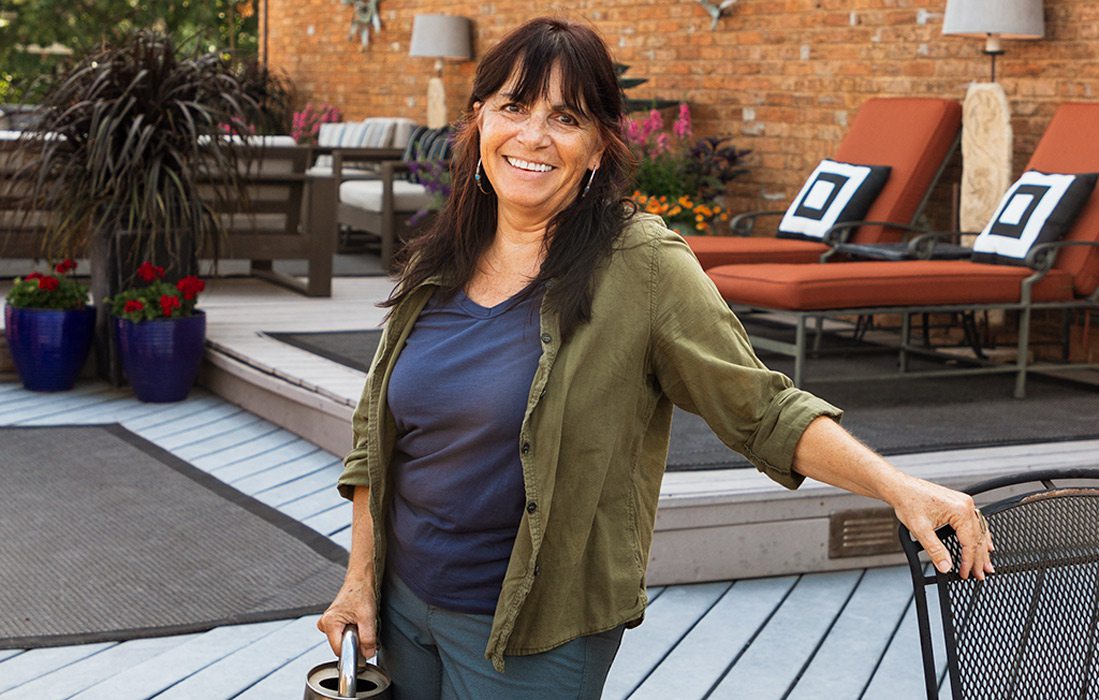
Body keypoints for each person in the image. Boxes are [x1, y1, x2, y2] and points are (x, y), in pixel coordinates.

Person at [318, 16, 994, 699]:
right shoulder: (439, 259)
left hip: (532, 632)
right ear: (479, 121)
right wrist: (359, 584)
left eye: (565, 117)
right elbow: (378, 437)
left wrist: (895, 486)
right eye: (513, 108)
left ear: (596, 147)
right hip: (402, 611)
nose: (532, 136)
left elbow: (759, 412)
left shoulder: (638, 265)